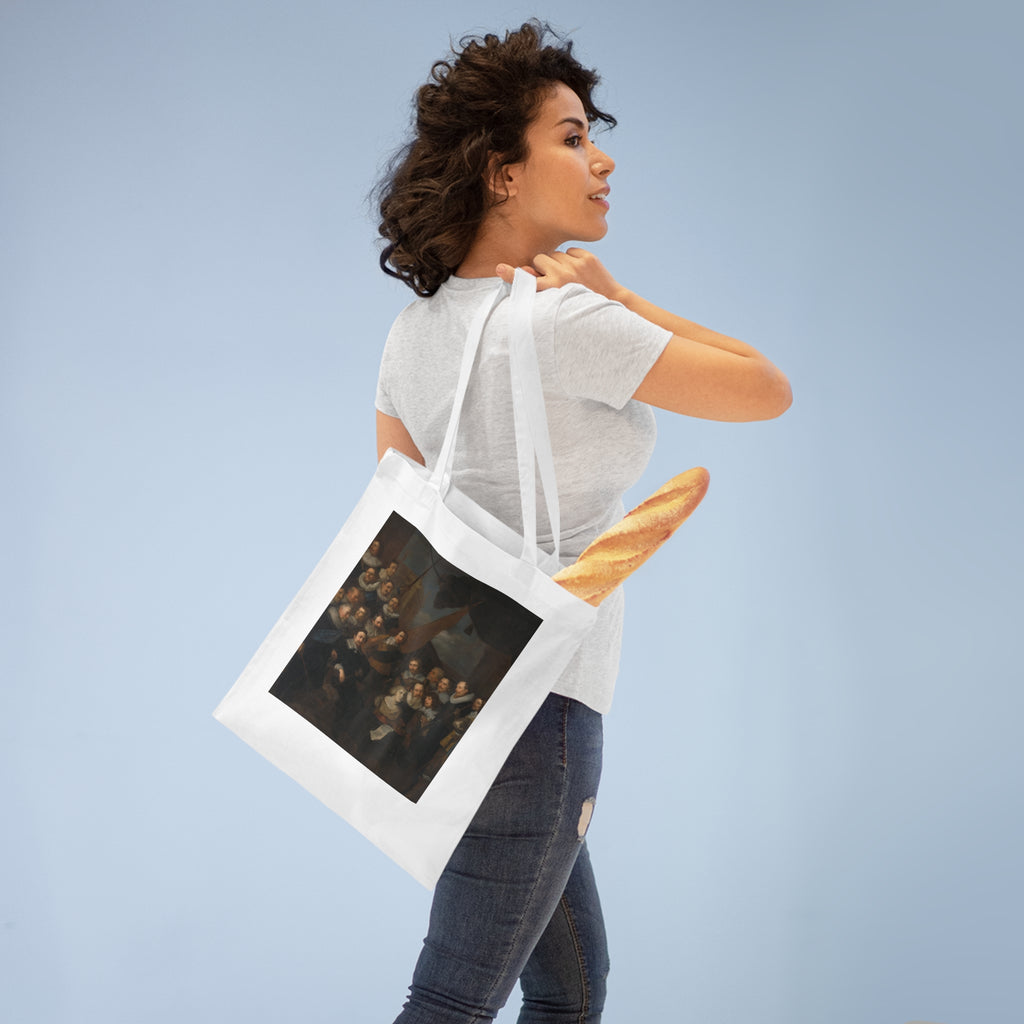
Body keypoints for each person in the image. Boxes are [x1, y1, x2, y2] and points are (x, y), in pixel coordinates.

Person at [373, 20, 791, 1024]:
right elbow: (766, 388)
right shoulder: (567, 320)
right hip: (543, 705)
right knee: (451, 1000)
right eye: (570, 137)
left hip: (447, 700)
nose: (601, 160)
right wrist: (624, 299)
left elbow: (399, 515)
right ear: (502, 173)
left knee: (569, 985)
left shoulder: (411, 332)